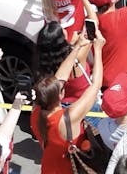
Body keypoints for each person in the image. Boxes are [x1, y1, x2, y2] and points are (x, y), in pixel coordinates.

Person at [31, 32, 106, 174]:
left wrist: (77, 47)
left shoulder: (36, 110)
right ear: (61, 95)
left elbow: (60, 77)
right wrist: (97, 49)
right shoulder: (68, 118)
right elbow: (96, 85)